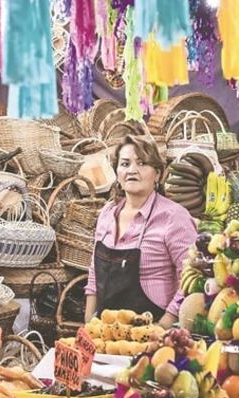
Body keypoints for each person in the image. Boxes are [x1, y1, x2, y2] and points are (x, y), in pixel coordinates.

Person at [84, 135, 197, 328]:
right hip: (107, 332)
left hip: (153, 331)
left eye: (142, 163)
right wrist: (88, 324)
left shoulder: (173, 217)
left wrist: (164, 324)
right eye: (125, 164)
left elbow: (191, 277)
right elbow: (94, 274)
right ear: (117, 172)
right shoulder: (107, 214)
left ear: (158, 174)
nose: (132, 171)